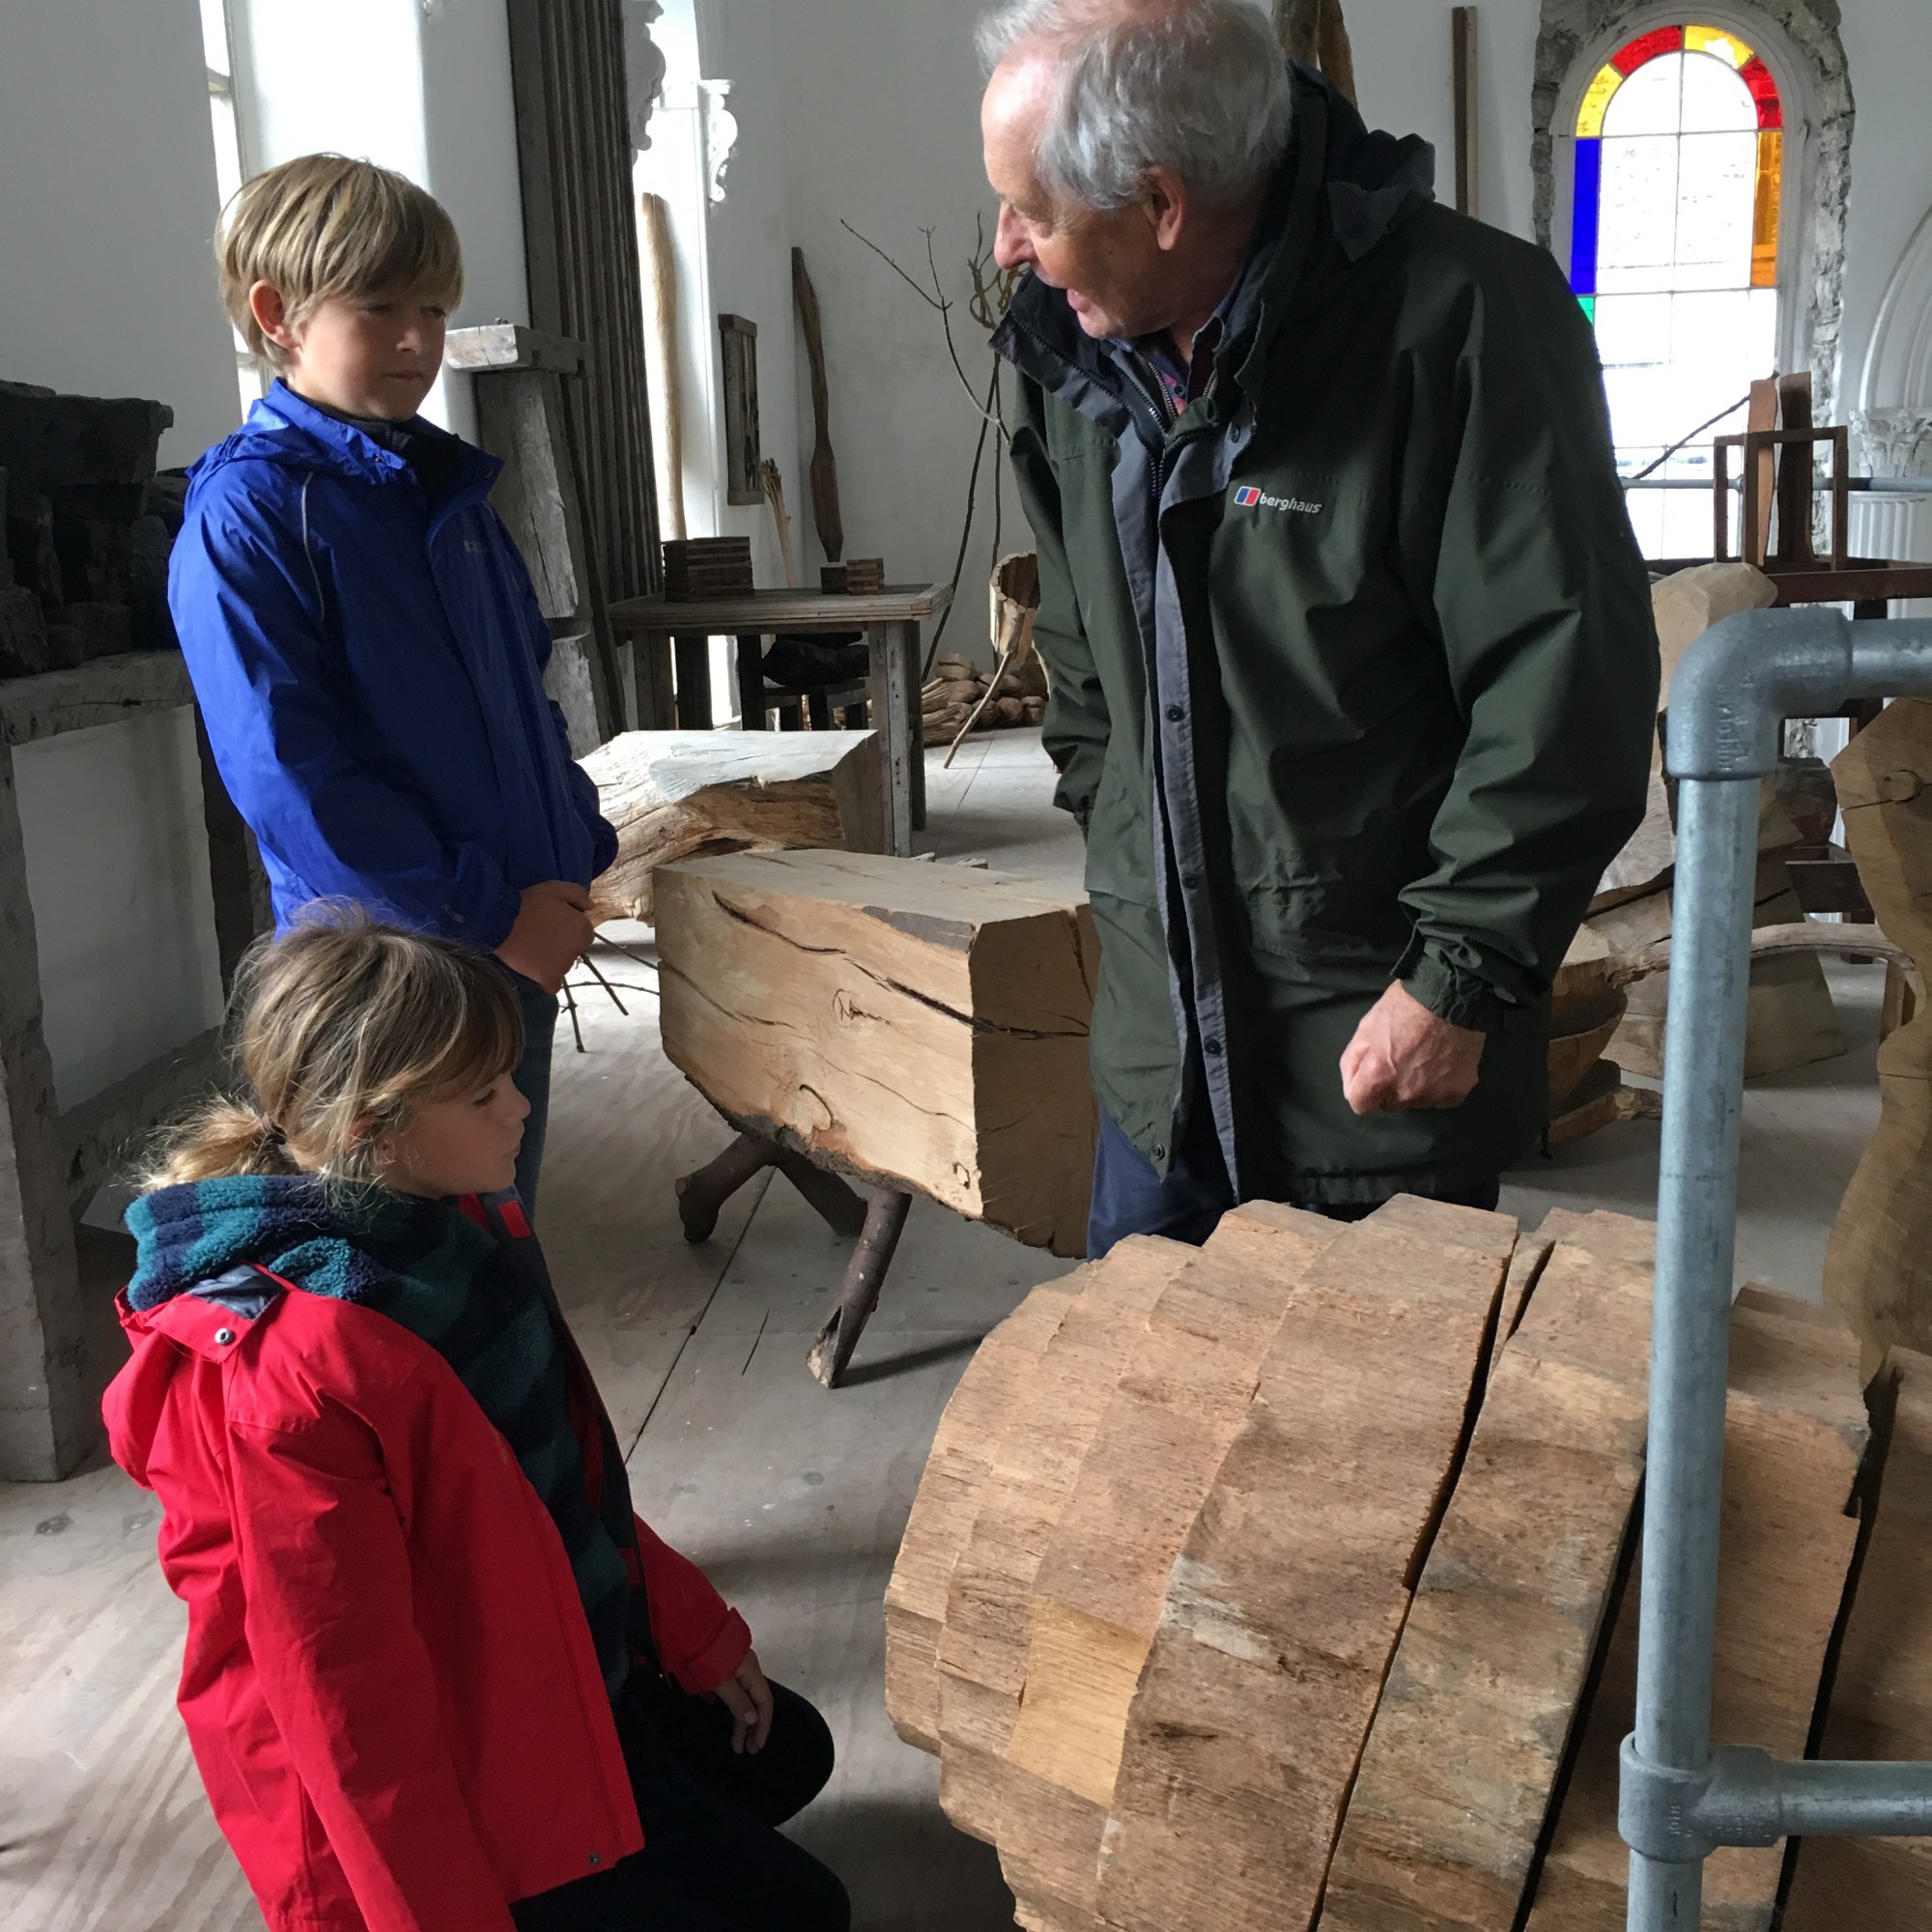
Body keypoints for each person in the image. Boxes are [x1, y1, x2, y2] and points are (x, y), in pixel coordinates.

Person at [977, 0, 1660, 1255]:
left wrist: (1457, 982)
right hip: (1158, 1062)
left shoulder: (1465, 324)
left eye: (1036, 208)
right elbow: (1079, 681)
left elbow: (1565, 695)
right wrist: (1126, 865)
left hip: (1371, 1061)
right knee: (1150, 1417)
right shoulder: (1061, 360)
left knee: (1364, 1441)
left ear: (1162, 203)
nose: (1010, 244)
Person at [102, 913, 850, 1932]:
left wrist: (692, 1628)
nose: (521, 1106)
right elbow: (347, 1714)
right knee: (802, 1912)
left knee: (787, 1745)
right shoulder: (301, 1371)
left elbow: (564, 1487)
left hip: (528, 1669)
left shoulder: (450, 1229)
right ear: (376, 1126)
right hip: (448, 1765)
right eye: (485, 1090)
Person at [169, 154, 616, 1214]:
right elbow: (295, 781)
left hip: (511, 942)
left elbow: (524, 695)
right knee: (401, 1261)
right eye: (379, 308)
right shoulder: (251, 515)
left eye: (432, 306)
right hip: (390, 979)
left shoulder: (446, 494)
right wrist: (491, 912)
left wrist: (572, 843)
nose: (420, 340)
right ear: (279, 313)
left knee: (496, 1226)